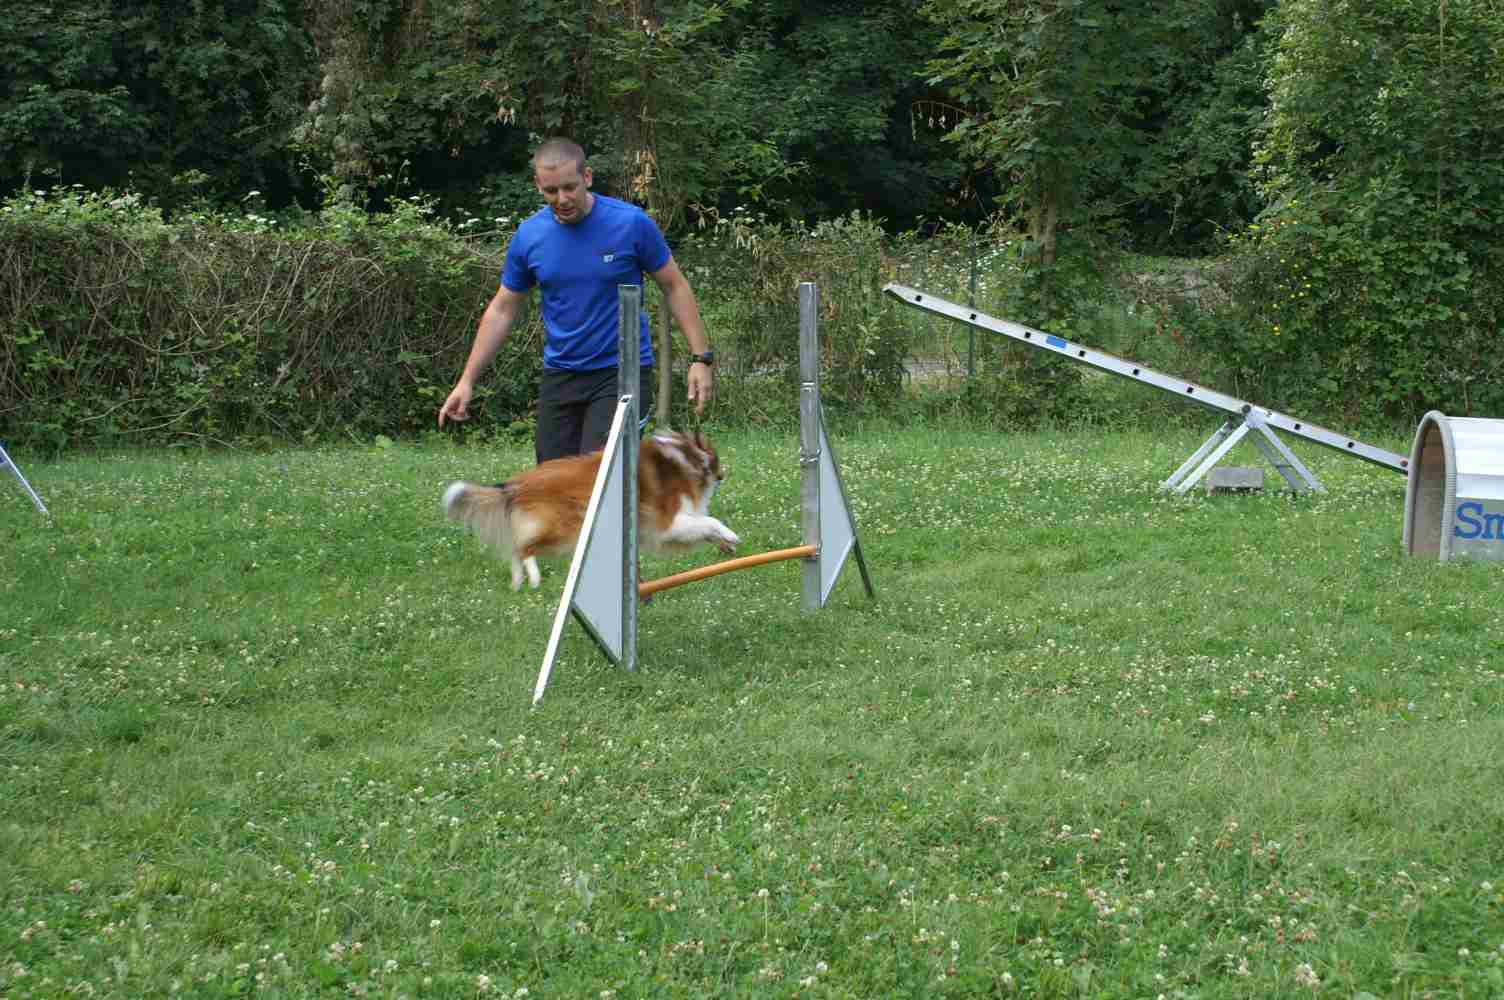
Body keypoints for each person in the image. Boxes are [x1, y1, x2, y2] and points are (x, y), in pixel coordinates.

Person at [438, 137, 715, 463]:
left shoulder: (630, 224)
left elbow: (674, 286)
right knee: (552, 479)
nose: (562, 199)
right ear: (538, 185)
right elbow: (503, 309)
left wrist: (701, 358)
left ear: (587, 177)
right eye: (551, 191)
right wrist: (467, 381)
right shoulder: (530, 236)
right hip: (561, 372)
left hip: (621, 372)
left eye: (570, 187)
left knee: (600, 475)